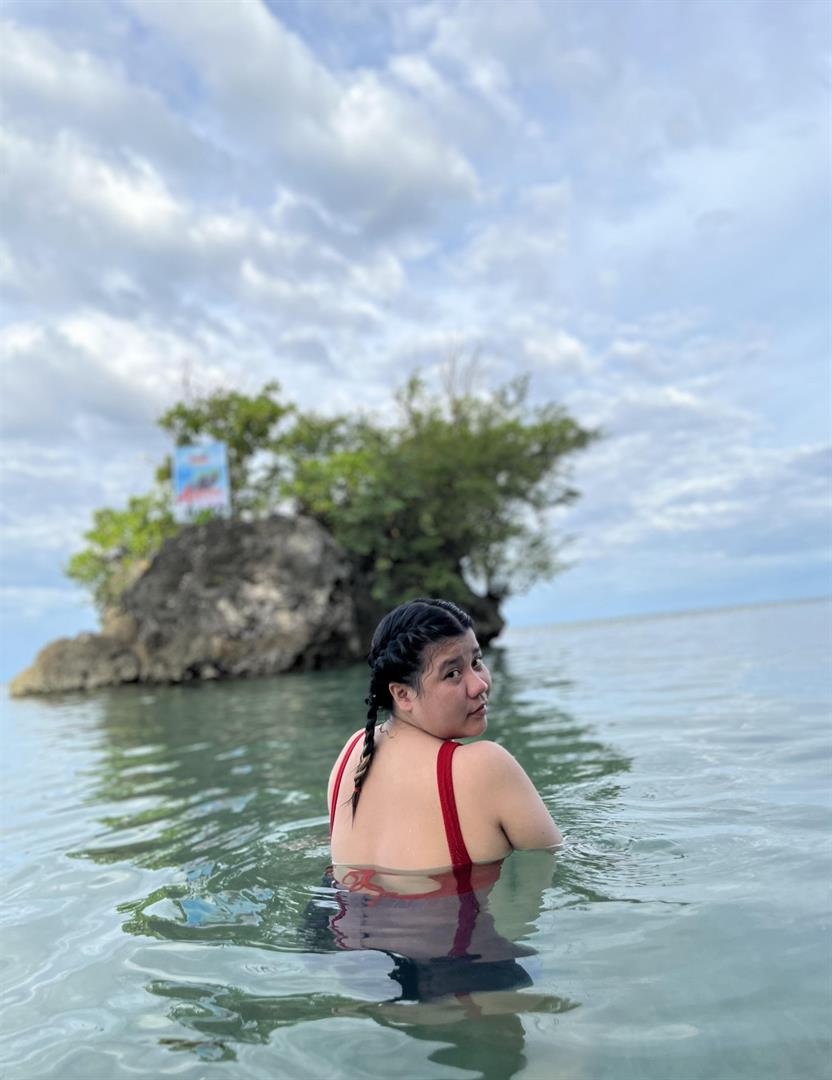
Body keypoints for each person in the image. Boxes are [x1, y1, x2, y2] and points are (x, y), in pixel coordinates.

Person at [328, 597, 561, 877]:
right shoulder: (485, 767)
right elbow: (557, 868)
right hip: (451, 906)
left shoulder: (352, 753)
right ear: (403, 694)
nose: (479, 684)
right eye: (453, 673)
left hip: (335, 905)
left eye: (476, 662)